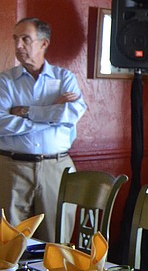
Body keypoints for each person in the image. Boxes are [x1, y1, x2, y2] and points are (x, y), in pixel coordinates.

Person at [0, 17, 86, 242]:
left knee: (56, 242)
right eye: (16, 39)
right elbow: (1, 123)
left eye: (25, 39)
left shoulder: (64, 79)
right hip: (12, 168)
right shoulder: (5, 82)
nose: (18, 46)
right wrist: (50, 113)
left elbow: (70, 114)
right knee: (10, 244)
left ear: (44, 43)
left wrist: (27, 111)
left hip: (56, 169)